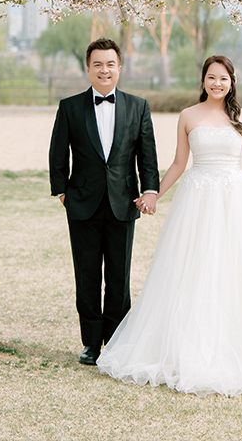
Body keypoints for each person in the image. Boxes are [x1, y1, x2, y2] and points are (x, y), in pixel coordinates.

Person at [97, 55, 242, 396]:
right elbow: (179, 163)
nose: (217, 83)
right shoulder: (188, 116)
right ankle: (190, 343)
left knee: (235, 269)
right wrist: (155, 194)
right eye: (211, 77)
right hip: (197, 199)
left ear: (231, 81)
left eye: (223, 78)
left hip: (235, 199)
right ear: (203, 80)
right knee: (193, 269)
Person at [49, 38, 159, 367]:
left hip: (123, 201)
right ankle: (91, 343)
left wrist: (150, 189)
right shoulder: (69, 106)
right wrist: (61, 191)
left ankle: (116, 343)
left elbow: (147, 154)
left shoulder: (138, 106)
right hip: (81, 201)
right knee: (86, 275)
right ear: (88, 68)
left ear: (120, 68)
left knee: (118, 276)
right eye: (98, 64)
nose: (104, 70)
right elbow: (58, 152)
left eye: (110, 64)